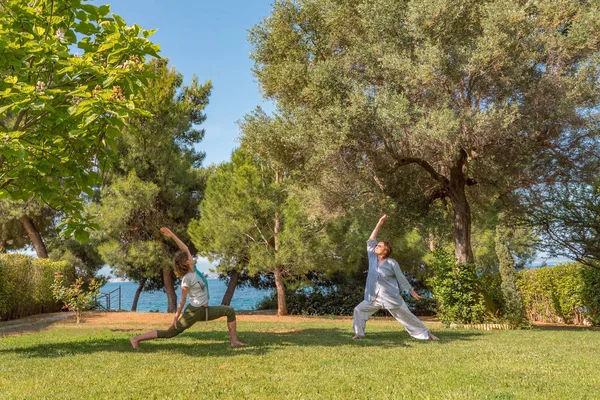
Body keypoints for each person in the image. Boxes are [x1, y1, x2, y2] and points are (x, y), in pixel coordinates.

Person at [130, 227, 245, 349]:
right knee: (169, 333)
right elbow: (182, 301)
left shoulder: (194, 269)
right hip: (194, 311)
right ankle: (136, 339)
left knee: (229, 311)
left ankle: (234, 341)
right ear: (186, 262)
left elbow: (185, 248)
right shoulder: (187, 279)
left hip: (204, 311)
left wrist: (173, 235)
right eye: (188, 257)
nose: (191, 257)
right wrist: (175, 318)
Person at [353, 214, 439, 341]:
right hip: (373, 297)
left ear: (385, 250)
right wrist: (379, 223)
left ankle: (426, 334)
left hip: (390, 297)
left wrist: (411, 291)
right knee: (358, 310)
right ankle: (358, 334)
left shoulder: (392, 263)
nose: (376, 247)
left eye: (379, 246)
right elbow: (371, 240)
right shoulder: (372, 258)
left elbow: (401, 278)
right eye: (376, 246)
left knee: (406, 316)